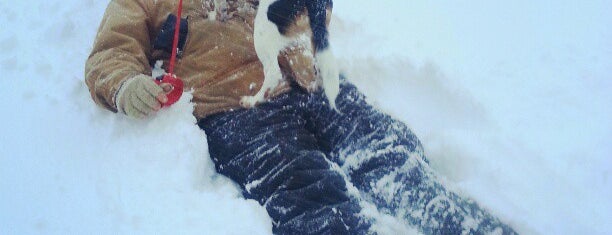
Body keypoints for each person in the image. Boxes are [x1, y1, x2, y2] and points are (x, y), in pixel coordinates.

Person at [85, 0, 517, 234]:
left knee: (384, 151)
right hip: (236, 108)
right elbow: (113, 50)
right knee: (303, 189)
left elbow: (316, 15)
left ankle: (458, 223)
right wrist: (124, 86)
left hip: (308, 78)